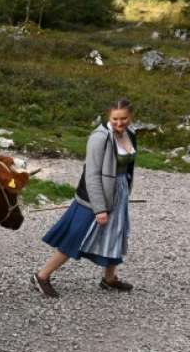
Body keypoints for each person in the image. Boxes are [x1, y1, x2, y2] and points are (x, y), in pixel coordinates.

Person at [31, 99, 137, 298]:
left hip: (118, 192)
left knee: (116, 233)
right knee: (77, 235)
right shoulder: (99, 138)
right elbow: (92, 174)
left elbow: (128, 167)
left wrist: (125, 191)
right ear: (109, 116)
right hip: (95, 196)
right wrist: (99, 209)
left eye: (124, 118)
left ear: (130, 117)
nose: (119, 123)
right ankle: (42, 276)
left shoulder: (130, 134)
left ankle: (109, 279)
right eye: (115, 118)